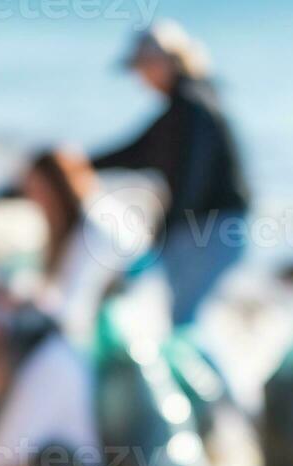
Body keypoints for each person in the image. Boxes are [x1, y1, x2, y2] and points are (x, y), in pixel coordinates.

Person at [0, 150, 107, 466]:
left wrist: (19, 301)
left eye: (39, 190)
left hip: (67, 355)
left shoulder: (95, 230)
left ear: (58, 187)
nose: (34, 200)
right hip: (66, 355)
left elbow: (71, 307)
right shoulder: (61, 233)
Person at [93, 20, 250, 332]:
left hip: (210, 228)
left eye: (142, 66)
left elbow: (194, 177)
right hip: (212, 226)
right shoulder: (187, 104)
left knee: (184, 323)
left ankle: (221, 382)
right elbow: (136, 152)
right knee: (185, 319)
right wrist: (80, 164)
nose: (140, 77)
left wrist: (165, 232)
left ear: (163, 61)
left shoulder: (191, 107)